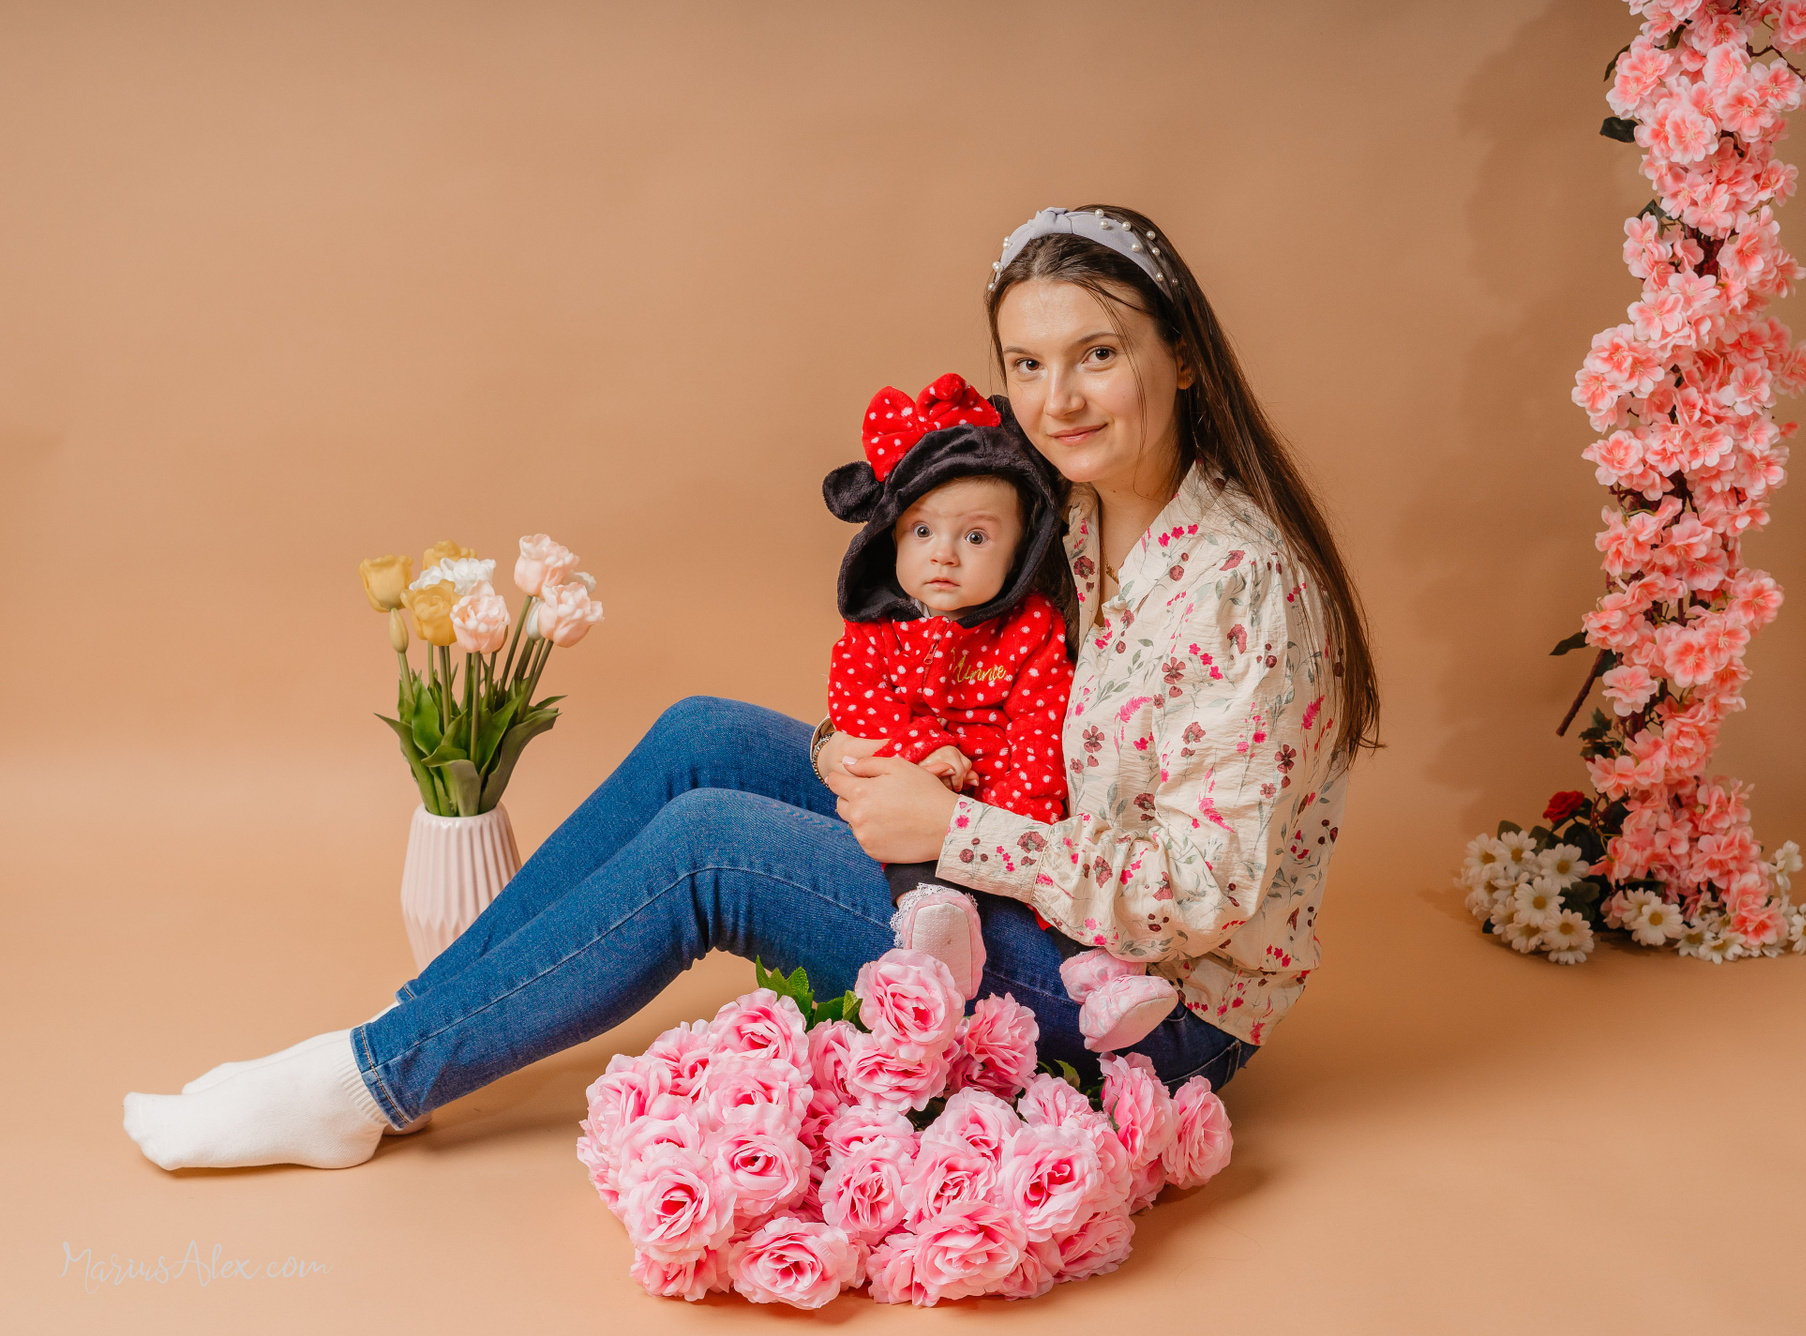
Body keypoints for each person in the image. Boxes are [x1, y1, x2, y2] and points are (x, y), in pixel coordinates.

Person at [121, 203, 1380, 1172]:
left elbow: (1205, 897)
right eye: (1030, 363)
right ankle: (413, 1028)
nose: (1059, 400)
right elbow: (966, 680)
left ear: (1183, 355)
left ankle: (364, 1084)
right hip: (1020, 862)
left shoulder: (1244, 585)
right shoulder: (1077, 512)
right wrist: (851, 756)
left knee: (710, 847)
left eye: (1098, 354)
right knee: (702, 737)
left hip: (1148, 1007)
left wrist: (954, 831)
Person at [820, 369, 1184, 1051]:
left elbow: (1041, 729)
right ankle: (936, 921)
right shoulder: (877, 629)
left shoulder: (1031, 629)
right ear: (891, 538)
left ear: (1019, 552)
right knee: (907, 848)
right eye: (922, 530)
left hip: (1018, 804)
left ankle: (1106, 978)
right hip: (919, 788)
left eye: (976, 538)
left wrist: (1010, 815)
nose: (944, 555)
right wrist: (924, 753)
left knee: (1063, 865)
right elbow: (858, 708)